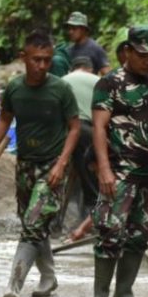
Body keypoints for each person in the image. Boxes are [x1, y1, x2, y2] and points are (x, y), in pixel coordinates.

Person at [81, 25, 148, 297]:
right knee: (110, 231)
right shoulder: (109, 84)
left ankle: (124, 293)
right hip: (119, 172)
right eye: (142, 54)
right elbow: (99, 127)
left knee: (140, 234)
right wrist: (104, 169)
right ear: (127, 51)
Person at [0, 31, 81, 297]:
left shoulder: (60, 89)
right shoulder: (15, 88)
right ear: (24, 58)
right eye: (36, 59)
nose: (42, 66)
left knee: (33, 225)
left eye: (47, 60)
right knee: (32, 223)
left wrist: (62, 164)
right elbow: (3, 120)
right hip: (25, 164)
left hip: (52, 167)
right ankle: (48, 277)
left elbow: (74, 128)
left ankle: (14, 284)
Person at [62, 56, 100, 216]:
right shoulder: (98, 80)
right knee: (89, 173)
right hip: (88, 129)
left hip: (63, 129)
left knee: (64, 171)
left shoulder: (62, 80)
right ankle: (90, 213)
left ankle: (57, 217)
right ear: (89, 69)